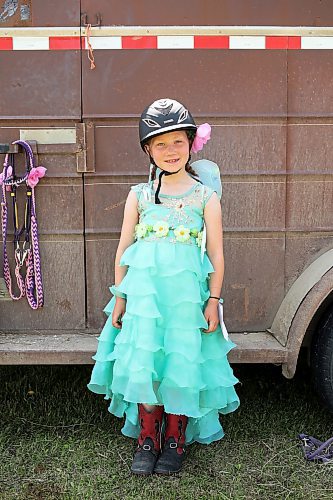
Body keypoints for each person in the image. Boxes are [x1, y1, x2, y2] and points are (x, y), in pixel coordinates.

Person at [87, 98, 240, 476]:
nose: (170, 151)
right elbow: (123, 248)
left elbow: (217, 254)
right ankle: (147, 437)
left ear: (191, 143)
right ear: (147, 150)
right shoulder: (138, 195)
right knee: (147, 363)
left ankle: (174, 438)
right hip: (145, 300)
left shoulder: (206, 198)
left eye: (177, 142)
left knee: (179, 362)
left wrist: (213, 299)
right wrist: (120, 296)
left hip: (186, 301)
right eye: (160, 144)